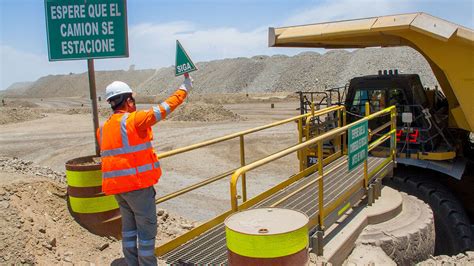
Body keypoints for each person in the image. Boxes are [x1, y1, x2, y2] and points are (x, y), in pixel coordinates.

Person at [97, 74, 192, 266]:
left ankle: (132, 263)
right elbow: (165, 108)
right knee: (147, 232)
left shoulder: (104, 128)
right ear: (128, 100)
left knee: (129, 230)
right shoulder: (133, 120)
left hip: (118, 189)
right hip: (138, 187)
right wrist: (185, 88)